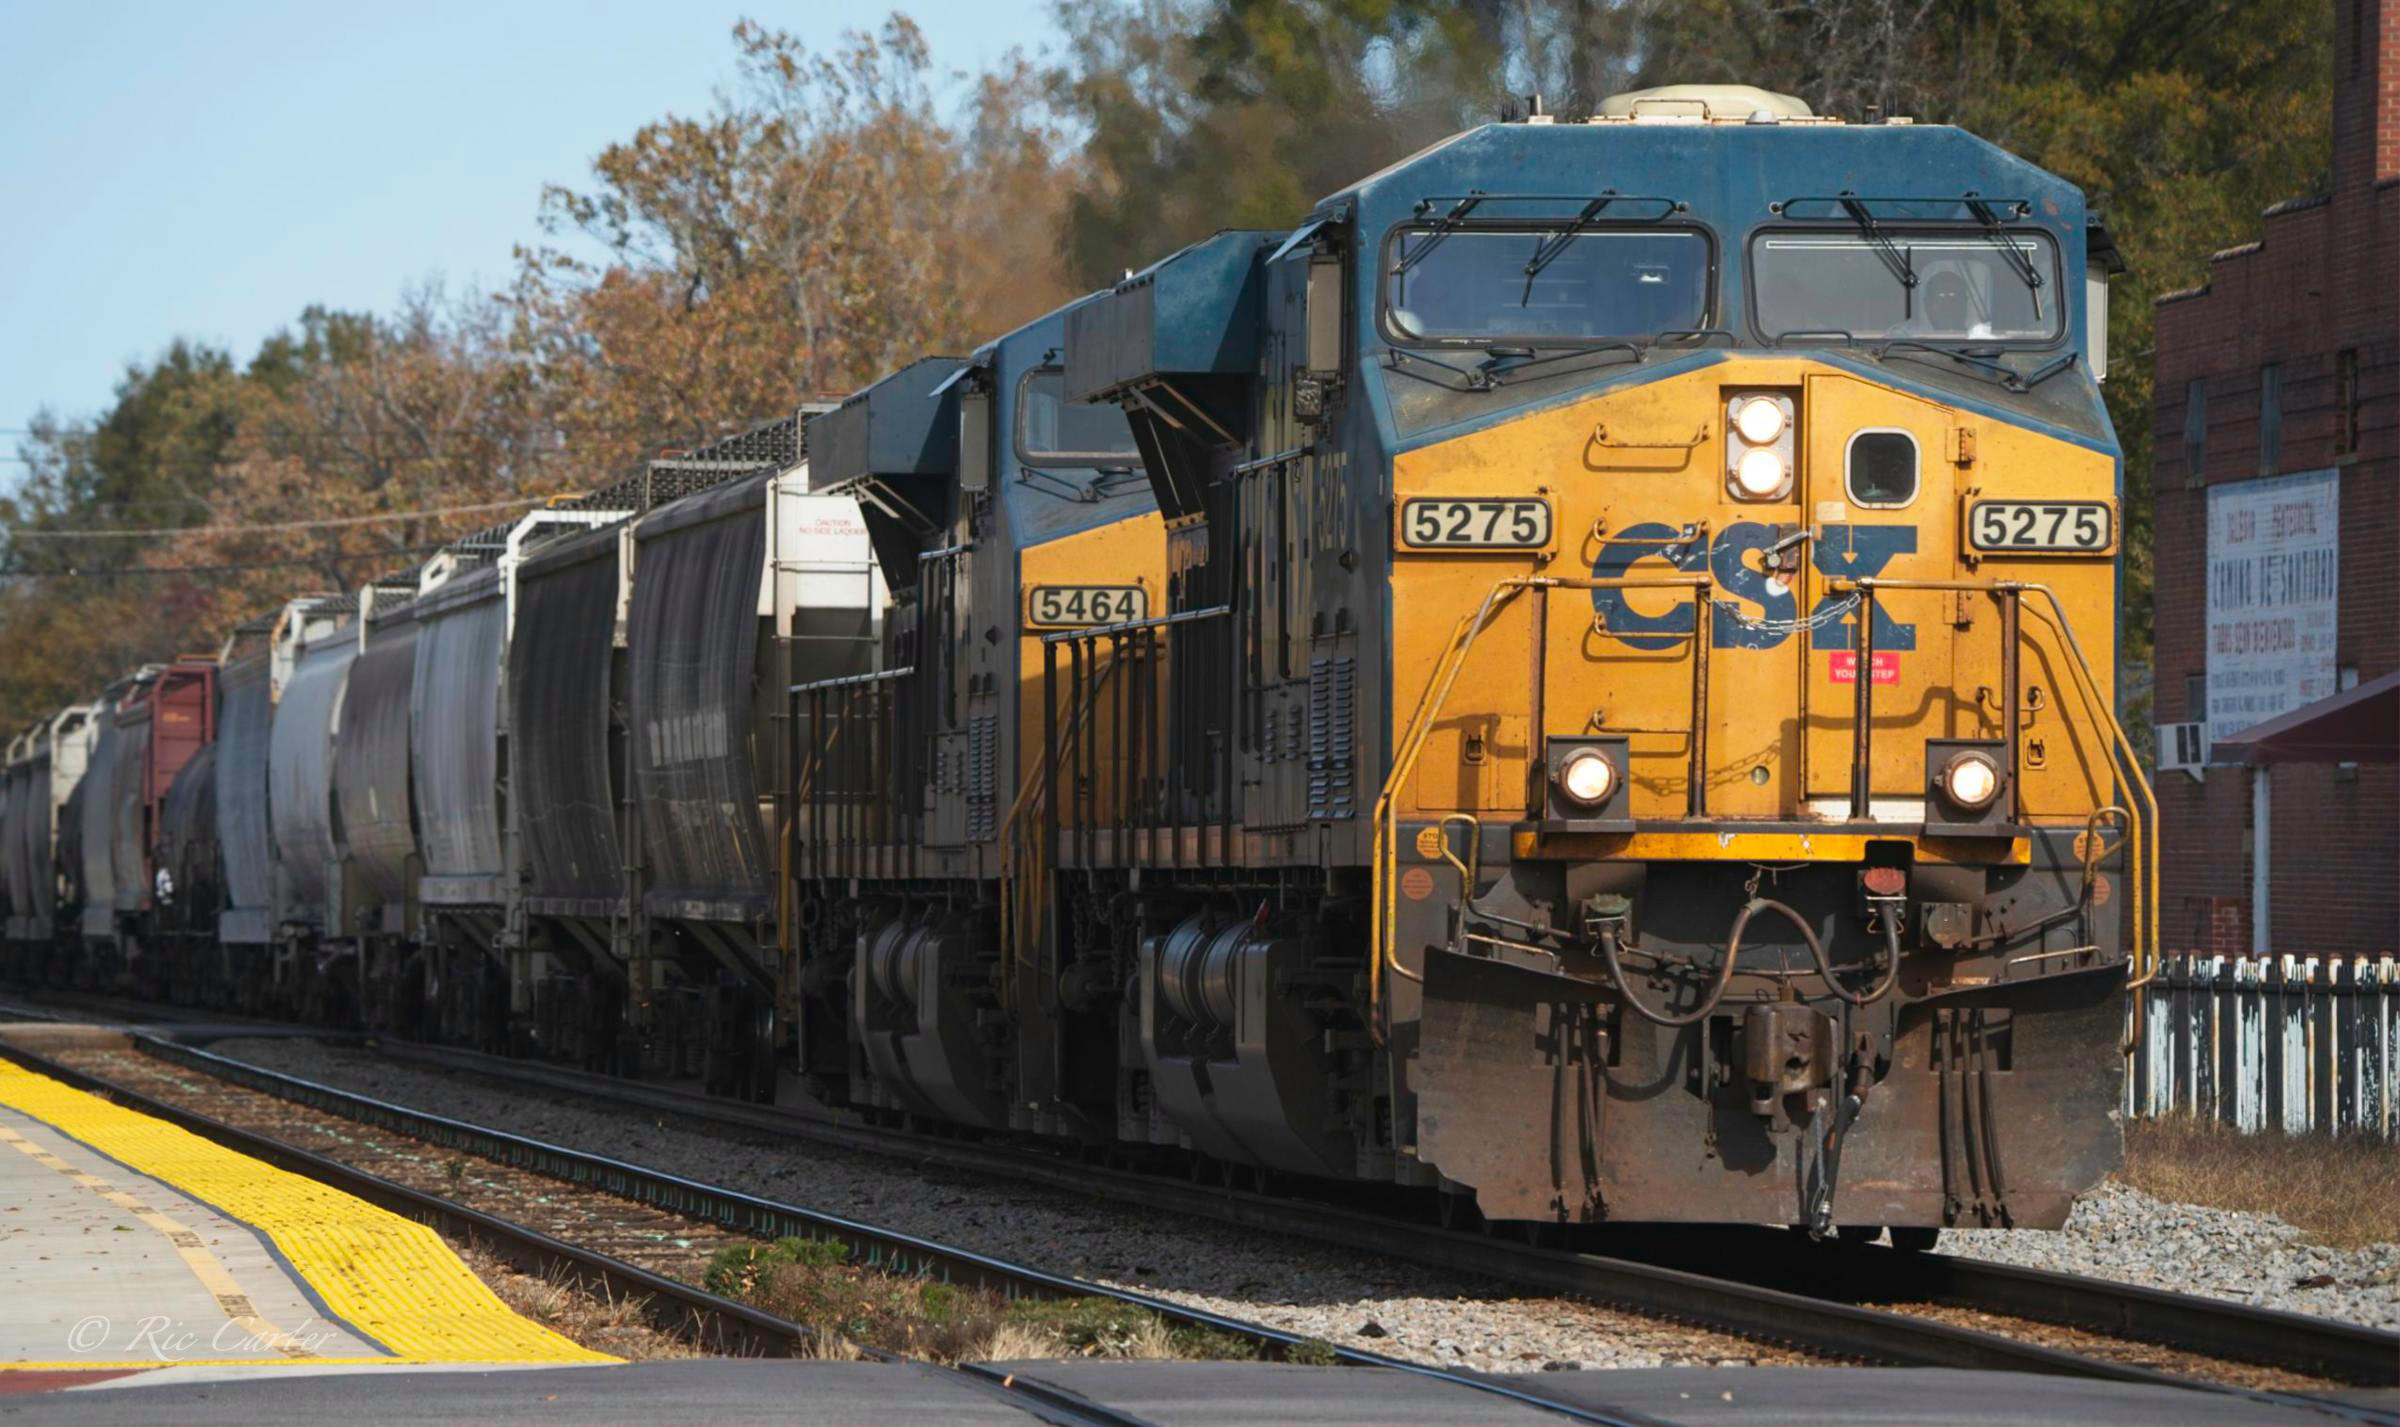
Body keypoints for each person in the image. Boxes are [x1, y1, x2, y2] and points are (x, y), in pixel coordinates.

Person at [1922, 270, 1992, 339]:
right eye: (1940, 299)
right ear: (1927, 304)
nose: (1948, 307)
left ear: (1965, 303)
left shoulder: (1984, 340)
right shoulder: (1916, 338)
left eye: (1954, 299)